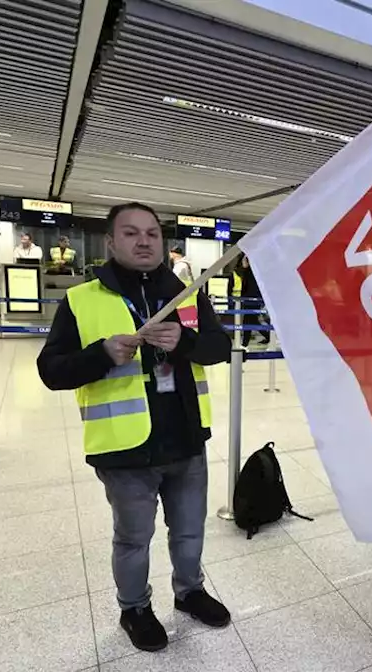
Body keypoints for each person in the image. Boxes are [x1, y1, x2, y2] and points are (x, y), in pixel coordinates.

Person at [36, 202, 234, 653]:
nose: (143, 241)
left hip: (186, 440)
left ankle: (189, 592)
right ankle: (135, 609)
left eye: (151, 233)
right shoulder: (81, 301)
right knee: (133, 538)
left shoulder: (186, 294)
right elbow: (51, 371)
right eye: (131, 233)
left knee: (189, 530)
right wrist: (101, 354)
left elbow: (220, 347)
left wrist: (187, 343)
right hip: (125, 450)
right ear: (111, 242)